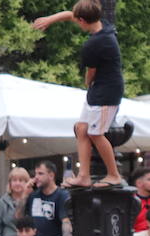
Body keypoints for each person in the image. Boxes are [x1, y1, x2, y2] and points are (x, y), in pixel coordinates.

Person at [34, 0, 125, 187]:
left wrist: (87, 83)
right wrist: (50, 19)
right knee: (82, 128)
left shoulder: (95, 44)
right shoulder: (104, 26)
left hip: (106, 93)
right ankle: (84, 176)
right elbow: (70, 14)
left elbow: (90, 74)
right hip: (99, 90)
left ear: (83, 20)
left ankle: (114, 175)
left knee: (96, 134)